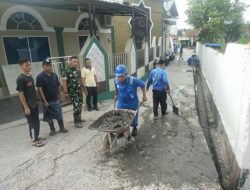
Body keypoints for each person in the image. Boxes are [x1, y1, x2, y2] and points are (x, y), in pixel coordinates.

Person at [16, 58, 45, 147]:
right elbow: (21, 94)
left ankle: (36, 136)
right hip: (28, 105)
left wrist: (37, 100)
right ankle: (33, 140)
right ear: (21, 66)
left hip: (34, 104)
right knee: (32, 122)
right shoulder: (20, 78)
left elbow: (32, 91)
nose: (29, 66)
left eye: (29, 64)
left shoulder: (29, 76)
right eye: (27, 65)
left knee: (36, 121)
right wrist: (26, 107)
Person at [36, 58, 69, 136]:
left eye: (50, 65)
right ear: (43, 66)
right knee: (49, 117)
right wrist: (45, 101)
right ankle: (52, 130)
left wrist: (61, 96)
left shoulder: (54, 75)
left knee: (59, 115)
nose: (49, 67)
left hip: (56, 99)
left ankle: (62, 128)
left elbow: (58, 86)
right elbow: (40, 90)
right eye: (47, 66)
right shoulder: (40, 77)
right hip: (47, 101)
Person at [114, 65, 147, 137]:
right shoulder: (116, 80)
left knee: (133, 117)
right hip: (122, 103)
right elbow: (116, 89)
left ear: (126, 74)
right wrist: (115, 99)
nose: (120, 78)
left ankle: (134, 127)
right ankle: (124, 129)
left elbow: (142, 84)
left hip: (132, 103)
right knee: (121, 117)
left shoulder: (133, 80)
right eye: (118, 76)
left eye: (121, 76)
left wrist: (144, 95)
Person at [62, 56, 85, 128]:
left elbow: (80, 80)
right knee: (76, 106)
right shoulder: (66, 70)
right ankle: (76, 122)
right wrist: (65, 92)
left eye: (76, 61)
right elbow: (64, 82)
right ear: (70, 62)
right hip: (72, 92)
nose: (75, 63)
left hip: (79, 91)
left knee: (80, 104)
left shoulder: (78, 70)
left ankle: (79, 119)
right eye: (73, 61)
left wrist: (84, 89)